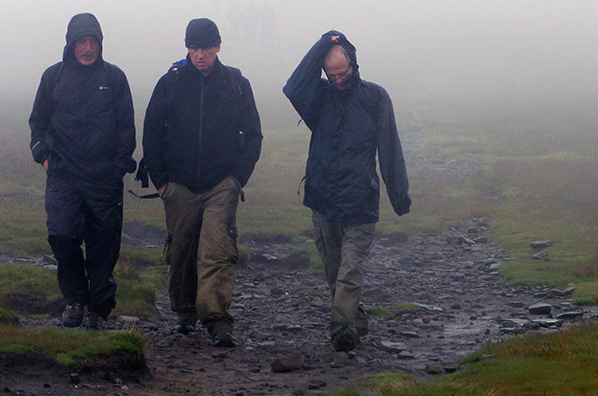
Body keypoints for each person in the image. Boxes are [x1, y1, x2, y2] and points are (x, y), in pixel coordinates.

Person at [283, 30, 411, 353]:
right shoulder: (319, 99)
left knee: (350, 271)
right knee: (333, 271)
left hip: (359, 204)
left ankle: (342, 331)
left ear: (355, 64)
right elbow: (294, 86)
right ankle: (353, 317)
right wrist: (324, 43)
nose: (338, 80)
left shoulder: (375, 99)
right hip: (323, 200)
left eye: (343, 72)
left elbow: (390, 149)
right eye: (331, 74)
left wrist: (399, 196)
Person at [142, 18, 262, 347]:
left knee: (218, 251)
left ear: (218, 46)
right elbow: (151, 132)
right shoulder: (171, 83)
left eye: (206, 47)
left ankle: (217, 320)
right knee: (181, 250)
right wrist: (162, 181)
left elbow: (253, 134)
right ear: (187, 48)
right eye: (193, 47)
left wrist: (237, 179)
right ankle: (184, 312)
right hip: (178, 184)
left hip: (221, 183)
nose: (200, 54)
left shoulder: (236, 83)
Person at [29, 12, 136, 328]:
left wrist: (117, 168)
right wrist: (43, 156)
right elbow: (38, 122)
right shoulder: (54, 77)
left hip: (104, 179)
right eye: (81, 42)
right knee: (62, 236)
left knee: (104, 246)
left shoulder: (114, 78)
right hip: (63, 175)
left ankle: (99, 309)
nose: (88, 48)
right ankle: (75, 299)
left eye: (93, 42)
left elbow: (126, 129)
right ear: (71, 44)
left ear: (101, 44)